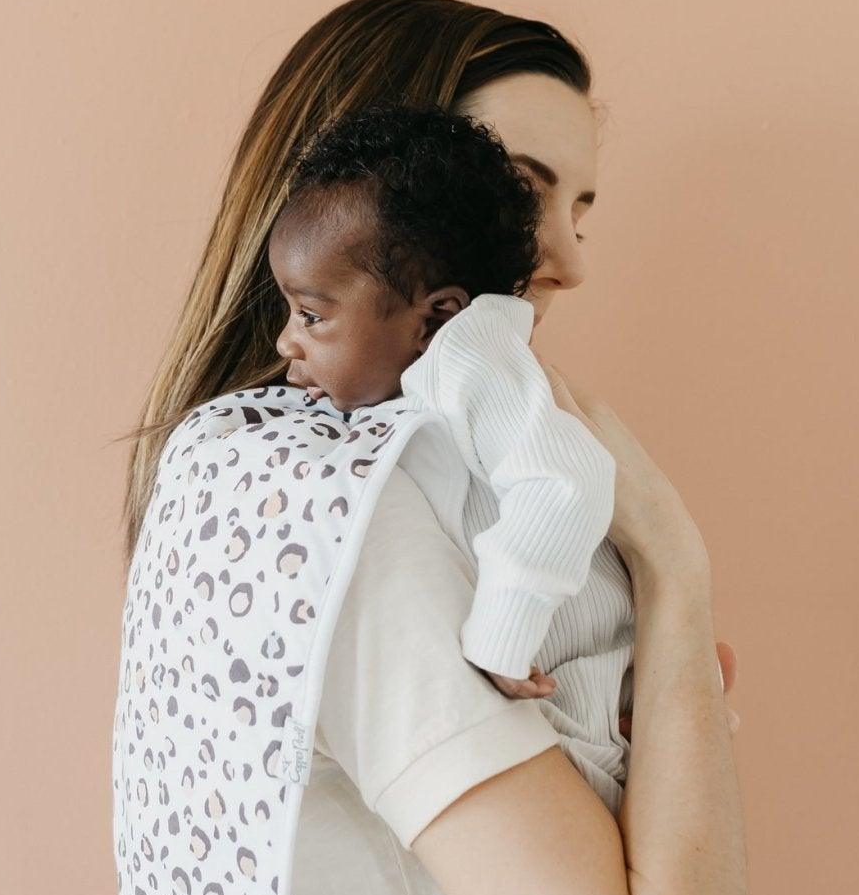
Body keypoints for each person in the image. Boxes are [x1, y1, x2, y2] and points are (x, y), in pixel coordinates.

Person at [119, 0, 748, 895]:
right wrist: (677, 568)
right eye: (522, 192)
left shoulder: (248, 478)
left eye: (582, 206)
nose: (566, 262)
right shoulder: (351, 510)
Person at [269, 96, 628, 802]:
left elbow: (567, 482)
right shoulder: (432, 366)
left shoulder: (474, 357)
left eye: (312, 315)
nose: (287, 341)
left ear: (439, 315)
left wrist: (502, 632)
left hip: (579, 674)